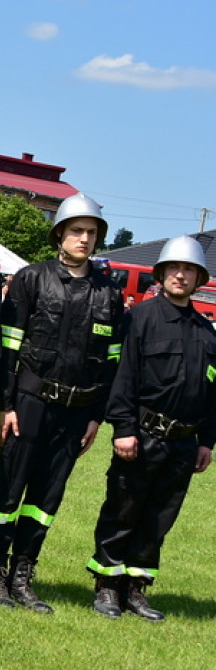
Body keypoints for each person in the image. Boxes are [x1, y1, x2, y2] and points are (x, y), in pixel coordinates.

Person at [0, 194, 123, 613]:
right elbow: (7, 348)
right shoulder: (31, 279)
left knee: (47, 499)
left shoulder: (109, 296)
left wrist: (97, 416)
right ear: (59, 233)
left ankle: (23, 575)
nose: (84, 238)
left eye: (91, 233)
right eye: (76, 230)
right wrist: (5, 404)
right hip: (28, 404)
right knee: (8, 489)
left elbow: (111, 362)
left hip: (77, 413)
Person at [87, 236, 216, 622]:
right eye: (174, 269)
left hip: (183, 444)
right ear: (160, 274)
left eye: (189, 270)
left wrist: (207, 441)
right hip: (142, 436)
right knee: (123, 510)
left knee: (159, 517)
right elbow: (123, 378)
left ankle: (137, 588)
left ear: (198, 279)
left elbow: (211, 393)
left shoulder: (207, 332)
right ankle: (108, 586)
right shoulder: (139, 319)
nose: (181, 275)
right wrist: (123, 429)